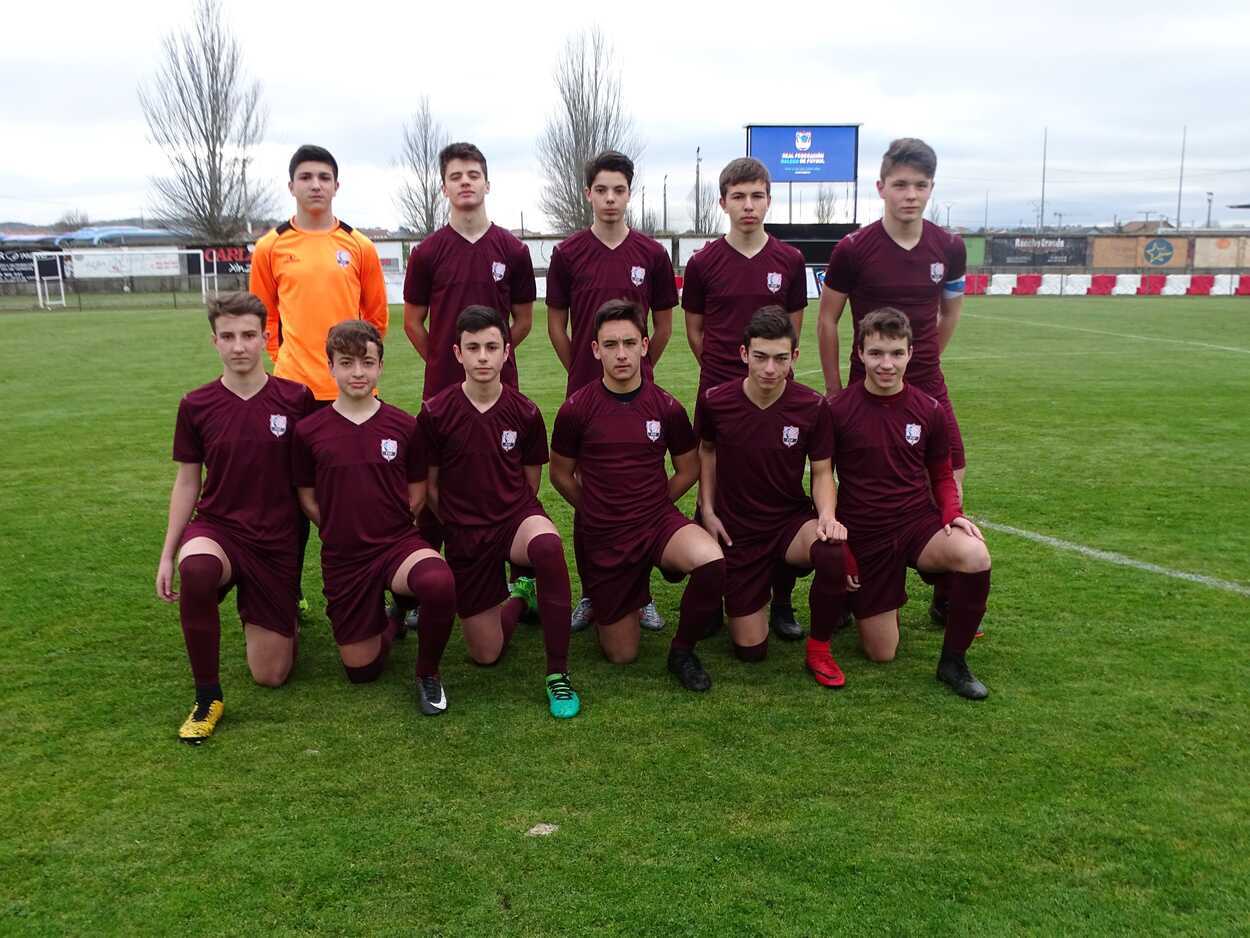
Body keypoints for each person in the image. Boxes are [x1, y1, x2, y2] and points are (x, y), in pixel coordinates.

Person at [816, 137, 970, 629]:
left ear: (931, 188)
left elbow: (950, 312)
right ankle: (851, 583)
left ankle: (945, 589)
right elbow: (827, 319)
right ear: (881, 187)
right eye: (901, 184)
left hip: (927, 387)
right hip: (864, 389)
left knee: (950, 475)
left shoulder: (949, 247)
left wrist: (924, 362)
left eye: (920, 185)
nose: (911, 194)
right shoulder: (854, 248)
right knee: (858, 485)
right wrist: (836, 388)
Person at [156, 291, 314, 744]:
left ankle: (273, 613)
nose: (239, 346)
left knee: (272, 674)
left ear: (266, 338)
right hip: (219, 528)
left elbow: (314, 477)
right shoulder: (196, 404)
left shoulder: (296, 398)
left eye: (248, 335)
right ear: (215, 342)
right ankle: (207, 697)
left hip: (276, 540)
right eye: (228, 336)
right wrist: (168, 553)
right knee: (197, 569)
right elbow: (188, 482)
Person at [549, 300, 725, 692]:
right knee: (622, 654)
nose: (621, 354)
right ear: (595, 350)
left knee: (711, 562)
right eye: (610, 344)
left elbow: (689, 468)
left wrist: (655, 503)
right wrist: (594, 508)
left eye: (629, 343)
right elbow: (559, 473)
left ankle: (682, 651)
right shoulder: (576, 410)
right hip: (607, 534)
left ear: (645, 345)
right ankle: (618, 595)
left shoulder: (666, 407)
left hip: (656, 522)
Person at [418, 306, 580, 719]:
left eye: (492, 347)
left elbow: (531, 482)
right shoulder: (435, 412)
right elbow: (431, 487)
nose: (483, 357)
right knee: (486, 654)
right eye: (473, 348)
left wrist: (510, 519)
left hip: (513, 519)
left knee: (547, 546)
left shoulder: (525, 411)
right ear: (458, 353)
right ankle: (521, 597)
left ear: (507, 352)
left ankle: (557, 673)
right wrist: (458, 525)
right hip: (465, 532)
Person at [290, 321, 458, 715]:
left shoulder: (403, 425)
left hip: (397, 545)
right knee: (362, 672)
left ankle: (427, 673)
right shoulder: (308, 431)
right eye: (346, 363)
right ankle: (392, 619)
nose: (358, 373)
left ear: (380, 366)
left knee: (438, 582)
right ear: (330, 366)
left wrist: (391, 524)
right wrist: (338, 527)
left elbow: (417, 489)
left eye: (367, 362)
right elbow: (307, 496)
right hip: (344, 557)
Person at [249, 143, 390, 611]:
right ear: (291, 185)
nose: (315, 185)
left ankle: (373, 583)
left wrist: (357, 369)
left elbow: (375, 319)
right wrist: (285, 361)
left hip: (350, 393)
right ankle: (287, 594)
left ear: (336, 185)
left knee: (361, 493)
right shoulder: (270, 247)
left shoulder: (358, 245)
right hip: (292, 393)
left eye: (323, 177)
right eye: (306, 177)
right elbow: (263, 319)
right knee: (289, 500)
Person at [545, 149, 678, 634]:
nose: (610, 198)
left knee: (639, 486)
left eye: (618, 190)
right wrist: (585, 369)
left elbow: (664, 325)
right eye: (601, 190)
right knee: (589, 495)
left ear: (629, 194)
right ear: (588, 194)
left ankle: (641, 594)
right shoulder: (568, 254)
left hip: (637, 394)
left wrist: (640, 368)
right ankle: (591, 591)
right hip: (587, 391)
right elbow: (556, 325)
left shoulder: (652, 254)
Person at [827, 308, 991, 699]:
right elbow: (823, 479)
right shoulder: (836, 410)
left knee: (974, 554)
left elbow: (942, 475)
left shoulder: (929, 410)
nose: (886, 364)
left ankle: (953, 662)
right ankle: (857, 596)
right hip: (866, 533)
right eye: (876, 353)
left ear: (910, 354)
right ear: (860, 353)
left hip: (917, 525)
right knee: (882, 653)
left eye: (896, 353)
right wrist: (839, 545)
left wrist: (952, 514)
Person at [682, 157, 811, 640]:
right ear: (723, 202)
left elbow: (793, 327)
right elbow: (696, 331)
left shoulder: (790, 261)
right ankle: (715, 588)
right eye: (738, 196)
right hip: (720, 391)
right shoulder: (703, 263)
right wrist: (726, 378)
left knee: (779, 490)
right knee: (715, 485)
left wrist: (770, 373)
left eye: (757, 196)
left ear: (769, 200)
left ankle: (782, 599)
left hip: (776, 393)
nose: (748, 205)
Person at [696, 307, 852, 686]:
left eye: (781, 358)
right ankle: (738, 594)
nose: (770, 368)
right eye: (761, 357)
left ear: (794, 356)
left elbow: (821, 471)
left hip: (787, 523)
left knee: (830, 549)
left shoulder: (812, 406)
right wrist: (708, 510)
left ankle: (819, 649)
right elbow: (707, 452)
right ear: (744, 354)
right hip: (737, 529)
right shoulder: (715, 400)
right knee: (751, 651)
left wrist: (827, 515)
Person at [402, 141, 536, 404]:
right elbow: (412, 323)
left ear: (487, 185)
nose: (465, 182)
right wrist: (443, 359)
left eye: (473, 175)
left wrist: (494, 355)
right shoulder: (425, 253)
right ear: (444, 188)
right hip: (442, 389)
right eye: (455, 177)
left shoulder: (515, 250)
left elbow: (524, 321)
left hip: (500, 386)